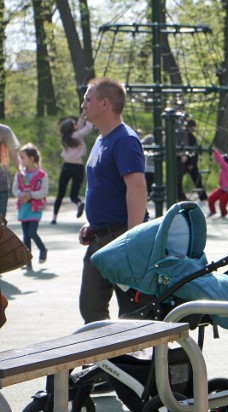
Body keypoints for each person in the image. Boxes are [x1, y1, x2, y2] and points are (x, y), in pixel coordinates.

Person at [78, 77, 149, 324]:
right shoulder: (100, 140)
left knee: (132, 313)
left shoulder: (124, 140)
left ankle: (138, 362)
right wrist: (93, 225)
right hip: (100, 238)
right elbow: (105, 187)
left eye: (88, 99)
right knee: (91, 308)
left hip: (121, 238)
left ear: (105, 104)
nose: (83, 104)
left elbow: (137, 188)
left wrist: (132, 237)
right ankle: (107, 362)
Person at [12, 143, 49, 272]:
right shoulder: (20, 175)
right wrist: (20, 194)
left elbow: (44, 191)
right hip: (24, 209)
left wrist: (30, 194)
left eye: (23, 157)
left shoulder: (41, 175)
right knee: (25, 236)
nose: (21, 160)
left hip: (35, 209)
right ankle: (27, 261)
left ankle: (42, 249)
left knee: (32, 232)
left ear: (32, 158)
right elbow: (15, 189)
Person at [51, 117, 94, 224]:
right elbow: (88, 128)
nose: (77, 124)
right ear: (71, 127)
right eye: (74, 124)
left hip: (66, 167)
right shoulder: (77, 135)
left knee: (60, 193)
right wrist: (88, 117)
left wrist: (82, 117)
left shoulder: (65, 137)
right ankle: (79, 203)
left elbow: (79, 126)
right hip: (77, 167)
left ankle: (54, 217)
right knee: (73, 195)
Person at [176, 119, 207, 202]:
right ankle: (181, 197)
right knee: (178, 179)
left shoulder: (190, 136)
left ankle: (202, 196)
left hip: (189, 162)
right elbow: (189, 149)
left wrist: (191, 162)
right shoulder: (184, 135)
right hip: (184, 162)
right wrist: (190, 162)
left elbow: (193, 150)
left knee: (196, 178)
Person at [207, 148, 228, 218]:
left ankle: (224, 213)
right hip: (221, 190)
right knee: (211, 198)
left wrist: (215, 151)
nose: (218, 162)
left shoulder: (227, 167)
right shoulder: (223, 169)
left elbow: (221, 160)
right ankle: (212, 211)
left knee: (222, 204)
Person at [0, 124, 20, 217]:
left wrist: (20, 171)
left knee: (1, 220)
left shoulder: (4, 130)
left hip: (1, 182)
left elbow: (13, 153)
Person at [140, 133, 155, 198]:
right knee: (149, 180)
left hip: (156, 167)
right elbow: (141, 143)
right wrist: (147, 150)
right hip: (149, 165)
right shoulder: (150, 137)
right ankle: (149, 194)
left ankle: (153, 195)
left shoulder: (164, 138)